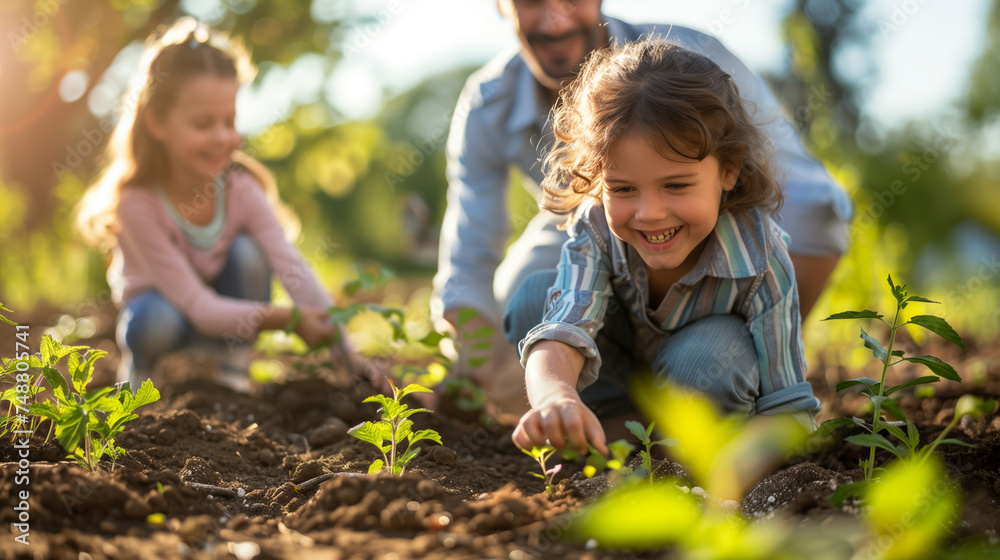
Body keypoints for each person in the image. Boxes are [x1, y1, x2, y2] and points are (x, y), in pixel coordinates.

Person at [431, 0, 851, 407]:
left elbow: (805, 196)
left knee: (711, 360)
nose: (555, 21)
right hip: (588, 211)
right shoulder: (489, 100)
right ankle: (622, 407)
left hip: (715, 217)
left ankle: (730, 372)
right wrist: (476, 363)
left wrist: (767, 327)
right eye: (532, 1)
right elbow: (469, 253)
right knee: (524, 296)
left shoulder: (691, 56)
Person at [509, 40, 821, 455]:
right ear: (597, 180)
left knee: (708, 359)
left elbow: (789, 406)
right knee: (533, 298)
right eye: (622, 188)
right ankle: (612, 430)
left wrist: (746, 469)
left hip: (700, 396)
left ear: (729, 169)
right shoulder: (598, 227)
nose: (650, 213)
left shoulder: (759, 257)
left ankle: (661, 447)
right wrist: (556, 398)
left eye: (676, 185)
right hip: (623, 377)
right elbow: (565, 329)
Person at [76, 18, 352, 390]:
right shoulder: (137, 204)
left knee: (249, 252)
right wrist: (290, 319)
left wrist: (351, 357)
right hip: (171, 319)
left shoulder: (240, 189)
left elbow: (294, 271)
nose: (223, 138)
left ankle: (231, 367)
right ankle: (141, 377)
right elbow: (200, 308)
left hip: (226, 319)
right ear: (156, 122)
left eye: (230, 121)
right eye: (204, 124)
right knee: (153, 316)